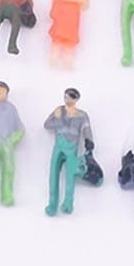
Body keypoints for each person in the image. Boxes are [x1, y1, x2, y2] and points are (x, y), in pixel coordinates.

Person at [43, 88, 94, 216]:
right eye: (66, 96)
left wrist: (89, 143)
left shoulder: (82, 115)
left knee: (70, 176)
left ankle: (68, 203)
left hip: (72, 147)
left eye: (70, 97)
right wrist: (55, 117)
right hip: (59, 145)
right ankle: (52, 204)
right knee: (53, 174)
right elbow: (47, 125)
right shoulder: (59, 111)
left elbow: (87, 130)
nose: (67, 99)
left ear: (76, 99)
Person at [48, 0, 89, 68]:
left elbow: (85, 4)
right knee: (57, 36)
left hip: (73, 14)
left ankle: (68, 59)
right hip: (61, 12)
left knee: (70, 38)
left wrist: (79, 4)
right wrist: (54, 11)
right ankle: (53, 57)